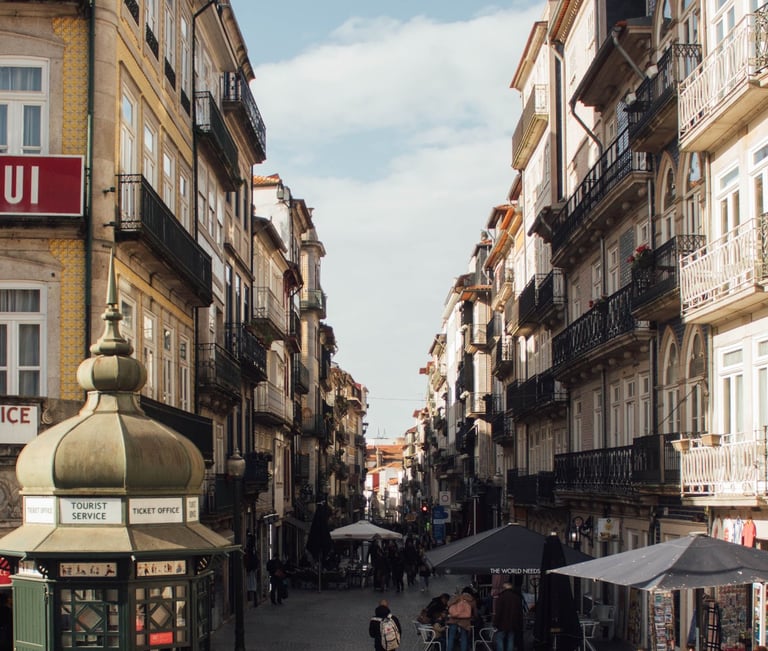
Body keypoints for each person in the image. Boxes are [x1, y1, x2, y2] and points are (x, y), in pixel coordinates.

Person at [493, 582, 525, 651]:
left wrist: (495, 623)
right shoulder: (517, 597)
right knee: (511, 639)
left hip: (502, 624)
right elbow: (520, 612)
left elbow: (498, 612)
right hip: (513, 623)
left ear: (503, 588)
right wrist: (520, 624)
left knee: (499, 639)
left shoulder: (501, 597)